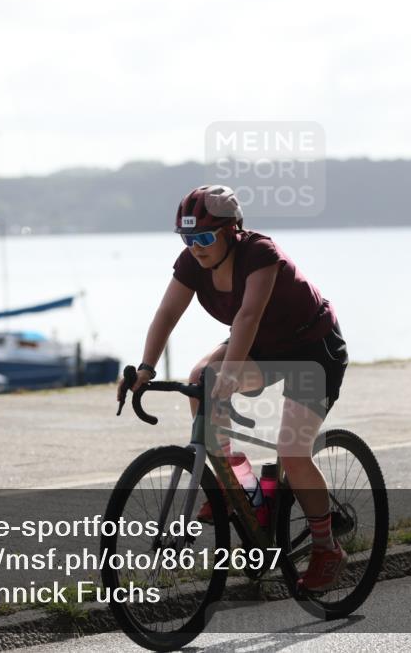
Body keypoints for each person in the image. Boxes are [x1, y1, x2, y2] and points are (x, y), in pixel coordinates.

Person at [116, 184, 350, 591]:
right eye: (188, 238)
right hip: (263, 348)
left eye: (205, 237)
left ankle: (327, 547)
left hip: (313, 350)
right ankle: (241, 490)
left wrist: (231, 371)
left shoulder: (260, 254)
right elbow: (168, 311)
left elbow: (247, 317)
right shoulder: (192, 263)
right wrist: (147, 368)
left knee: (292, 453)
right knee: (199, 379)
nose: (196, 247)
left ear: (233, 230)